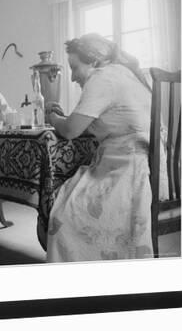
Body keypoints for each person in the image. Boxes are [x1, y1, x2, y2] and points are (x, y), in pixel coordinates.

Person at [39, 33, 155, 262]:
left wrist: (52, 117)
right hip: (150, 163)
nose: (72, 77)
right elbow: (96, 123)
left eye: (74, 67)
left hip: (128, 169)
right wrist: (68, 118)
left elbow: (71, 131)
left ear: (93, 61)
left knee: (64, 212)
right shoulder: (123, 73)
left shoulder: (104, 78)